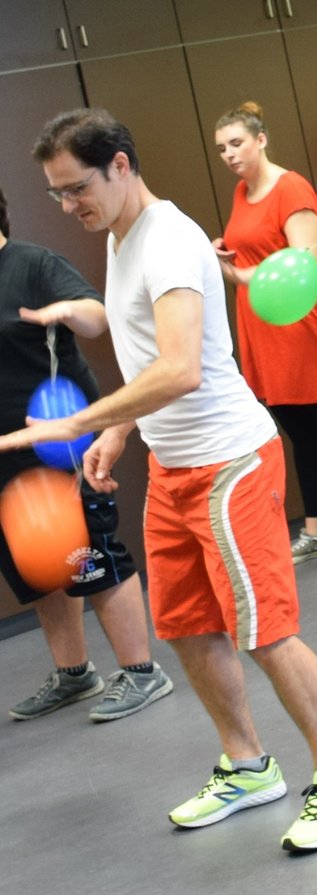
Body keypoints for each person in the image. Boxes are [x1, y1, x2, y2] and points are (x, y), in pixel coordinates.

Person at [11, 109, 317, 851]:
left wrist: (78, 423)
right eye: (54, 195)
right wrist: (117, 432)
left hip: (229, 461)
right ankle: (247, 765)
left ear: (119, 165)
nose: (68, 206)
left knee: (266, 632)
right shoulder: (119, 238)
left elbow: (179, 368)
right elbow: (153, 361)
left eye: (75, 187)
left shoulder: (169, 240)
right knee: (185, 628)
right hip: (175, 466)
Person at [0, 186, 171, 724]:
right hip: (6, 449)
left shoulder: (30, 263)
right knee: (36, 560)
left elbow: (97, 316)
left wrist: (69, 310)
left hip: (59, 440)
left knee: (88, 555)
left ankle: (142, 670)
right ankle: (74, 674)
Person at [208, 103, 317, 569]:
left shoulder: (292, 188)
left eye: (237, 143)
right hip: (264, 330)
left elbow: (303, 262)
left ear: (261, 140)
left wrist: (241, 276)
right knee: (299, 432)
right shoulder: (243, 192)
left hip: (302, 326)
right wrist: (223, 258)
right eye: (221, 148)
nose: (229, 154)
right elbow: (254, 254)